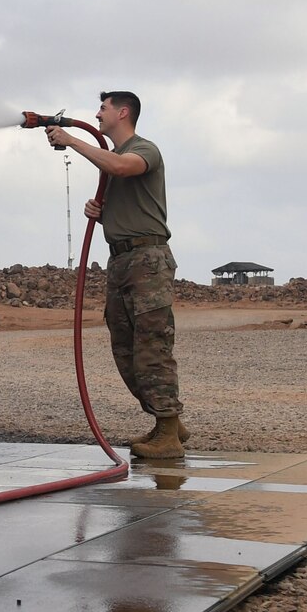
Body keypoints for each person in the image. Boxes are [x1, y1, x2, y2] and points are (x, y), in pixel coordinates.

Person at [45, 91, 187, 460]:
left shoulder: (144, 150)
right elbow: (128, 197)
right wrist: (103, 214)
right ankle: (166, 419)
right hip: (121, 261)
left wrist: (71, 139)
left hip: (147, 262)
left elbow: (122, 167)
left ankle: (168, 434)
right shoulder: (115, 158)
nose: (97, 114)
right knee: (124, 349)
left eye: (103, 108)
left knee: (152, 349)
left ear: (123, 112)